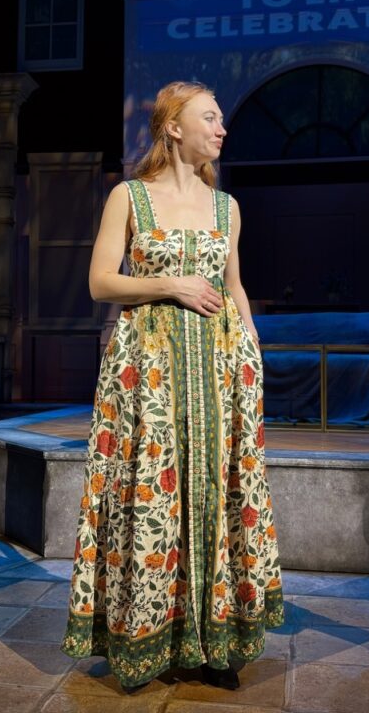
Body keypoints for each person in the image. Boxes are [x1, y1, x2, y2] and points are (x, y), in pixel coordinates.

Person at [61, 81, 284, 691]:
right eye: (209, 118)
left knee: (216, 488)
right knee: (150, 492)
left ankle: (214, 643)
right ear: (174, 128)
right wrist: (171, 285)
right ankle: (144, 636)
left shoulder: (227, 206)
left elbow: (234, 286)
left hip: (220, 363)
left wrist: (253, 352)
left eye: (220, 120)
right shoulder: (130, 197)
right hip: (149, 365)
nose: (222, 128)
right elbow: (101, 283)